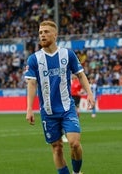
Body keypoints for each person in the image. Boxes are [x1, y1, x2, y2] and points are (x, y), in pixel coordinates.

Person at [25, 20, 95, 174]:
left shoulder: (67, 54)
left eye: (46, 32)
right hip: (48, 112)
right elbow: (31, 84)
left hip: (67, 108)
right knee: (57, 148)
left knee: (75, 143)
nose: (42, 35)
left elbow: (80, 75)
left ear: (55, 35)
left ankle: (77, 172)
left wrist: (89, 93)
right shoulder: (34, 59)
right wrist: (29, 108)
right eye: (40, 32)